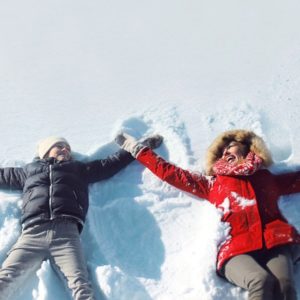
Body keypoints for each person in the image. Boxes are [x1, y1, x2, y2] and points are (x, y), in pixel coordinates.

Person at [116, 129, 300, 300]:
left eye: (232, 146)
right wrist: (137, 149)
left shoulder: (266, 179)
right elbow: (171, 174)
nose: (227, 151)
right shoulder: (213, 183)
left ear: (247, 148)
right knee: (260, 280)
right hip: (236, 250)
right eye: (223, 149)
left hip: (275, 242)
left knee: (285, 285)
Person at [0, 135, 161, 300]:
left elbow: (110, 164)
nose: (65, 150)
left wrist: (142, 146)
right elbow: (3, 176)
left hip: (66, 234)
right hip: (32, 234)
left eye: (68, 148)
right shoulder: (28, 171)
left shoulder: (77, 169)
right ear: (46, 151)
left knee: (80, 285)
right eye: (60, 146)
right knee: (5, 278)